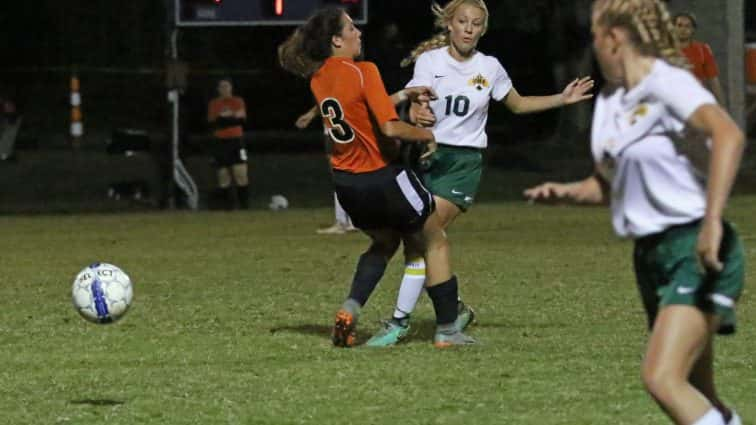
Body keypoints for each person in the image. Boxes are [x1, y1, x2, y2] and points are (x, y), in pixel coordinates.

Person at [524, 1, 744, 424]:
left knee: (662, 378)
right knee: (697, 391)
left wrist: (712, 221)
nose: (592, 44)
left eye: (594, 34)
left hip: (694, 247)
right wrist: (566, 192)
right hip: (651, 255)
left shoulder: (667, 83)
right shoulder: (610, 103)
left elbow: (728, 135)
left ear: (615, 37)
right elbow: (605, 187)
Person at [366, 0, 595, 347]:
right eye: (462, 22)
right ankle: (449, 313)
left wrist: (561, 99)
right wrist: (418, 112)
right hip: (428, 157)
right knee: (419, 243)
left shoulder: (490, 67)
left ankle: (405, 323)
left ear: (483, 29)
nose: (469, 28)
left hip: (463, 165)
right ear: (450, 25)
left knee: (425, 234)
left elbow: (517, 104)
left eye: (476, 23)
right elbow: (418, 99)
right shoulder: (431, 61)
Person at [278, 7, 475, 348]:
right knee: (434, 240)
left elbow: (359, 106)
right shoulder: (364, 70)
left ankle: (350, 309)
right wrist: (426, 135)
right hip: (384, 176)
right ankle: (448, 329)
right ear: (336, 40)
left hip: (348, 185)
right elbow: (388, 125)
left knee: (384, 243)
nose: (359, 33)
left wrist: (402, 95)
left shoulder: (319, 77)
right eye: (351, 28)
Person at [294, 108, 357, 234]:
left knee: (340, 177)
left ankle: (343, 222)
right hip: (349, 130)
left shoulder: (331, 88)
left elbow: (325, 97)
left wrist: (310, 114)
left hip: (336, 131)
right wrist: (311, 114)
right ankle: (351, 221)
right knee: (350, 175)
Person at [207, 78, 249, 209]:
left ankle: (244, 206)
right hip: (220, 143)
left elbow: (241, 119)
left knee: (240, 173)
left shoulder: (238, 101)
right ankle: (226, 206)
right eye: (222, 87)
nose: (224, 89)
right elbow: (214, 122)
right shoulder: (214, 103)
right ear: (218, 89)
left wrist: (227, 118)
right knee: (223, 175)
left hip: (236, 142)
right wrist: (231, 118)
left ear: (231, 88)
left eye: (227, 86)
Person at [673, 12, 725, 106]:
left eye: (687, 26)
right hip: (671, 101)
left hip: (695, 102)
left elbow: (714, 81)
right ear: (673, 28)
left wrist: (721, 106)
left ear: (693, 30)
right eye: (679, 25)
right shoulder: (664, 51)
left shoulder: (703, 50)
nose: (683, 29)